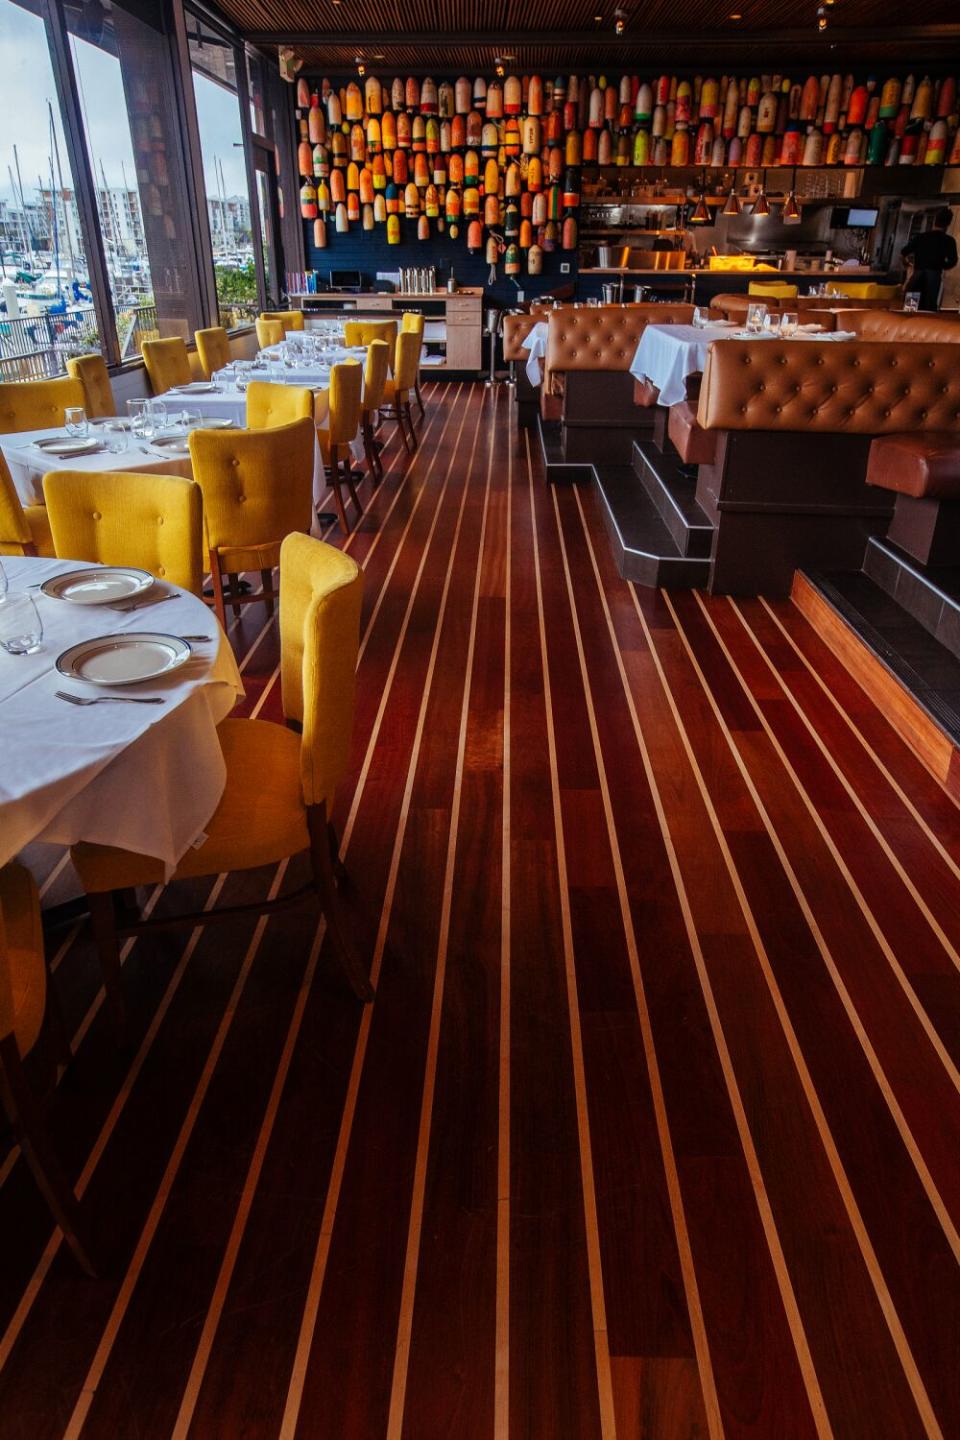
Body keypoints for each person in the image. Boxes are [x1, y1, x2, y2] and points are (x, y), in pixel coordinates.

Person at [901, 207, 957, 311]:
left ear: (935, 220)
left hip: (917, 277)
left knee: (910, 309)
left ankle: (908, 325)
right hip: (933, 278)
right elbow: (953, 261)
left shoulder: (921, 237)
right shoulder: (949, 241)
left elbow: (903, 252)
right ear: (948, 224)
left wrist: (908, 264)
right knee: (928, 311)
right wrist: (941, 265)